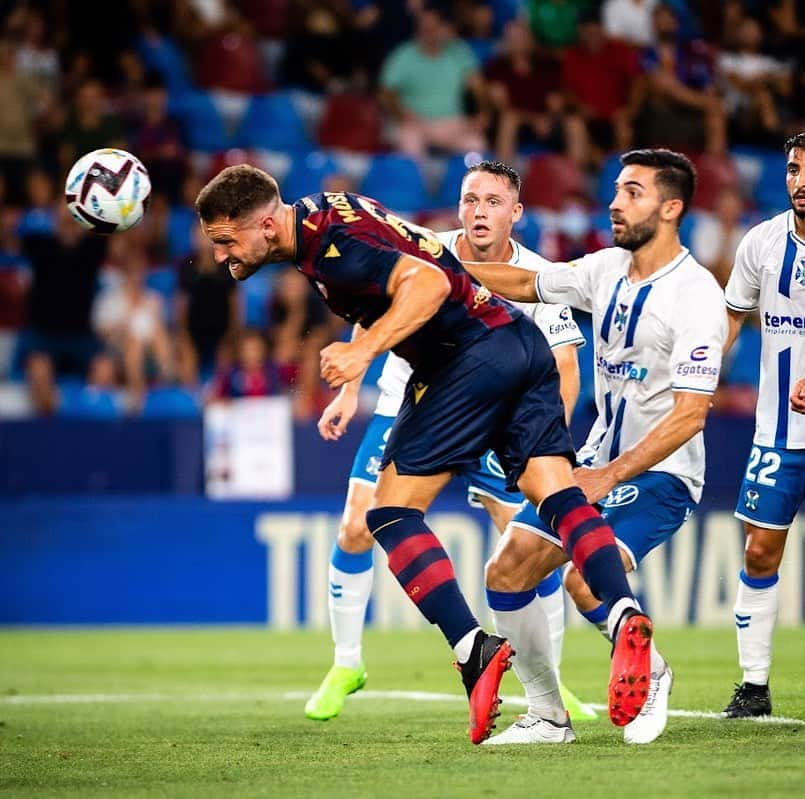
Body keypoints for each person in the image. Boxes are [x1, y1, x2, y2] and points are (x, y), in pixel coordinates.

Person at [195, 164, 655, 745]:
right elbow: (387, 286)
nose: (219, 256)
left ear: (265, 224)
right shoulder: (320, 215)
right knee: (557, 494)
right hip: (516, 340)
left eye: (226, 241)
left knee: (387, 512)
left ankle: (473, 650)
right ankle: (623, 615)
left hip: (464, 359)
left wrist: (361, 353)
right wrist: (352, 379)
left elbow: (428, 285)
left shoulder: (333, 246)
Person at [303, 160, 595, 724]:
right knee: (358, 523)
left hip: (494, 413)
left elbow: (565, 366)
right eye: (469, 199)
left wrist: (540, 441)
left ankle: (550, 683)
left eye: (492, 201)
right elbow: (370, 310)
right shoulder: (425, 247)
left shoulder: (539, 276)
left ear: (517, 212)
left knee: (530, 547)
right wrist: (348, 390)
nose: (479, 211)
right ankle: (346, 663)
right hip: (406, 402)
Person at [462, 149, 727, 745]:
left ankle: (652, 674)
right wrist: (444, 267)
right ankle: (549, 717)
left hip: (660, 474)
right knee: (506, 573)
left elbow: (689, 415)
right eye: (615, 190)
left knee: (586, 578)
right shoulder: (605, 268)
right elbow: (526, 282)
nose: (614, 202)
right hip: (591, 463)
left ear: (671, 207)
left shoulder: (696, 296)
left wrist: (609, 475)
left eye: (632, 192)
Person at [721, 132, 805, 719]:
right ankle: (753, 687)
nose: (800, 181)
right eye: (795, 169)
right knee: (758, 551)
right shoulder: (762, 242)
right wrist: (696, 381)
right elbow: (729, 319)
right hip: (777, 432)